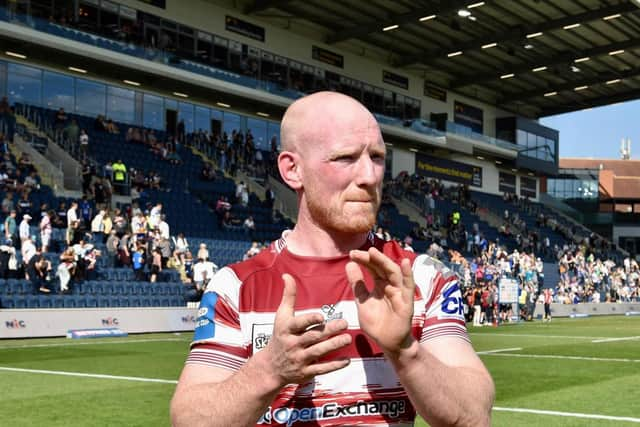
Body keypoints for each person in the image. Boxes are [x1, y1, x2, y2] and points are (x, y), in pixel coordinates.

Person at [171, 92, 494, 426]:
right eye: (345, 158)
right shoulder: (236, 287)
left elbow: (474, 416)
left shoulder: (422, 277)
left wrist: (405, 351)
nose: (370, 176)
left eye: (378, 157)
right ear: (292, 169)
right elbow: (189, 420)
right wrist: (268, 370)